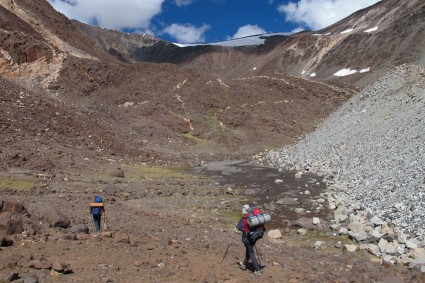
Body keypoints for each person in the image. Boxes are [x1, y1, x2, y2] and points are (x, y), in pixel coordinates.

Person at [236, 204, 264, 276]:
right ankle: (243, 264)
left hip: (247, 239)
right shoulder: (254, 218)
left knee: (251, 252)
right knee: (249, 251)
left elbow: (239, 227)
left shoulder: (243, 220)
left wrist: (237, 227)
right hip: (254, 237)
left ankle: (257, 270)